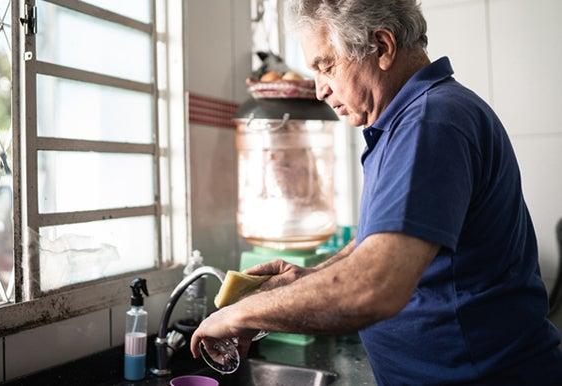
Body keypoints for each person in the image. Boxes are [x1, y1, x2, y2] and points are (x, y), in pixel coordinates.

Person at [190, 0, 562, 384]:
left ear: (382, 47)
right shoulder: (409, 122)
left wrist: (241, 314)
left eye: (325, 66)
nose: (320, 90)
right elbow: (378, 246)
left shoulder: (430, 122)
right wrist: (306, 278)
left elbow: (375, 285)